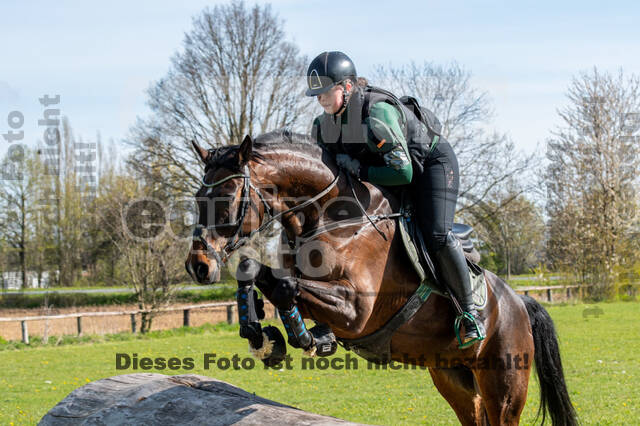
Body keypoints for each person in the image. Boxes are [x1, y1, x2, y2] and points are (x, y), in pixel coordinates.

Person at [306, 51, 485, 348]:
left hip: (428, 166)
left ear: (347, 87)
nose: (320, 98)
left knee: (436, 233)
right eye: (316, 94)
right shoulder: (321, 126)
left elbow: (404, 173)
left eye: (326, 91)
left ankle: (469, 313)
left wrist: (361, 169)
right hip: (385, 173)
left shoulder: (377, 114)